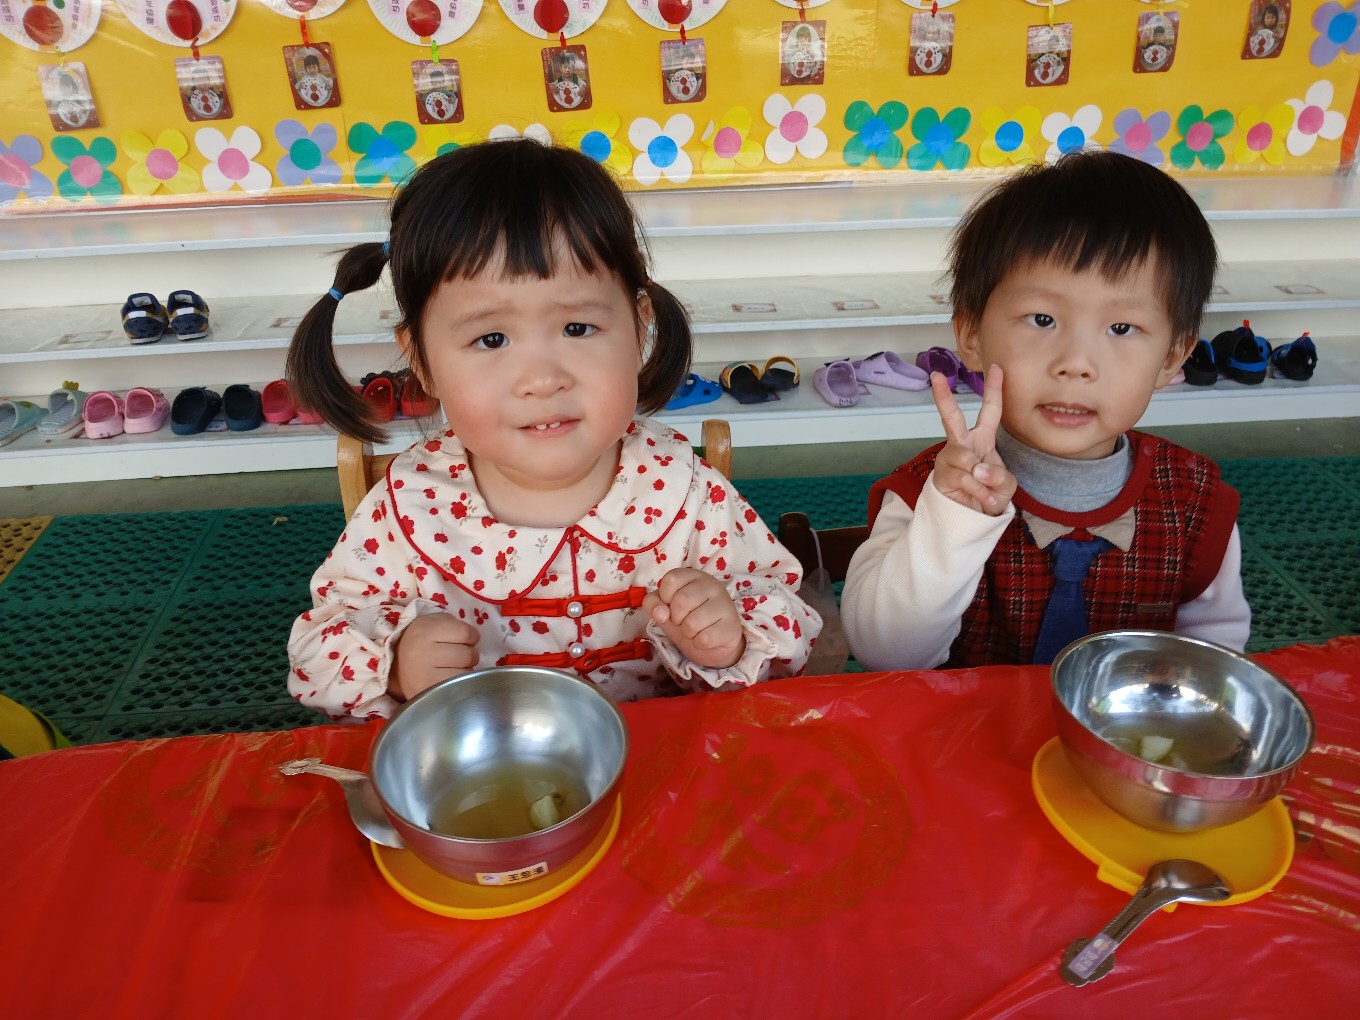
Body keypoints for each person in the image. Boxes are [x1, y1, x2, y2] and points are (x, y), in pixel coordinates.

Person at [285, 140, 820, 719]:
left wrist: (730, 641)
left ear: (638, 328)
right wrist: (395, 668)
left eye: (578, 328)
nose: (542, 380)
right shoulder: (408, 505)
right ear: (421, 360)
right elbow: (318, 654)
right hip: (479, 766)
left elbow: (787, 622)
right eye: (491, 339)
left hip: (661, 759)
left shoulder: (684, 488)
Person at [842, 150, 1249, 671]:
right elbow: (883, 655)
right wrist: (951, 520)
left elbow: (1215, 658)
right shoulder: (929, 493)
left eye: (1121, 328)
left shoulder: (1198, 504)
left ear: (1172, 358)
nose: (1075, 363)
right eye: (1042, 319)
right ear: (971, 334)